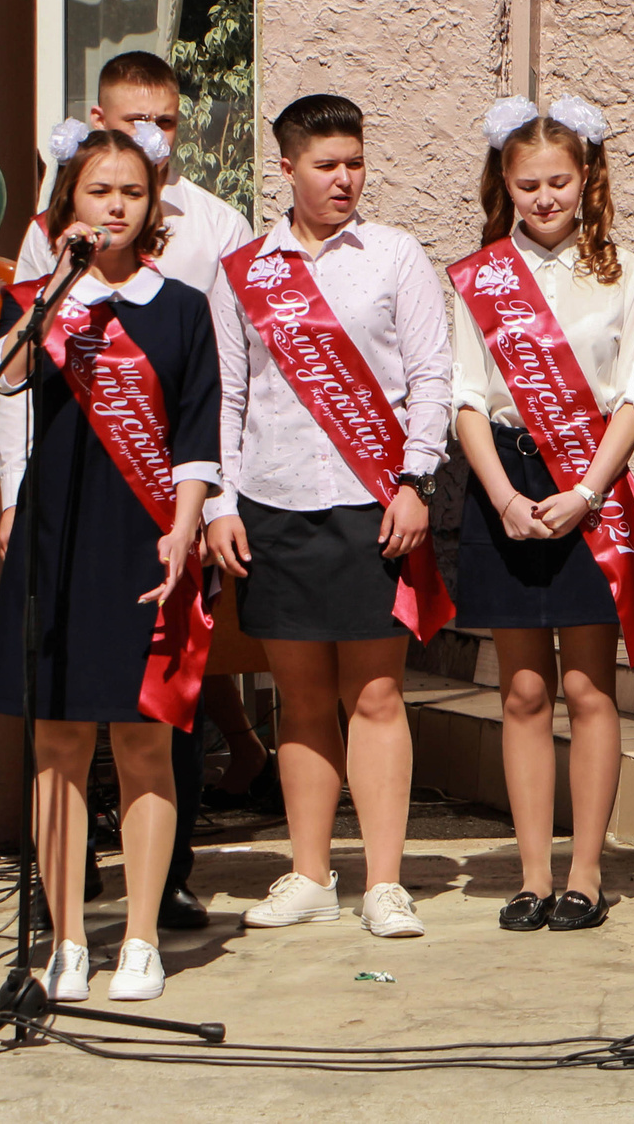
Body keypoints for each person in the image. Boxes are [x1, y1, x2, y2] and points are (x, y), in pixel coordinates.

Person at [0, 51, 264, 931]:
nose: (148, 141)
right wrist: (9, 493)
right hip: (64, 502)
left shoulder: (215, 228)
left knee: (160, 706)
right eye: (132, 120)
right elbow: (9, 384)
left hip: (160, 503)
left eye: (165, 121)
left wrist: (209, 508)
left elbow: (216, 382)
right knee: (62, 716)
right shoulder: (52, 253)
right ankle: (67, 900)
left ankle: (165, 881)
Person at [206, 94, 454, 941]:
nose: (345, 177)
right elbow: (229, 395)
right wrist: (220, 503)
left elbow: (430, 376)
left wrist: (416, 479)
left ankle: (385, 881)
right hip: (274, 502)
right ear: (287, 169)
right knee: (301, 697)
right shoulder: (245, 268)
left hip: (374, 500)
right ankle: (309, 870)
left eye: (354, 161)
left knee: (376, 691)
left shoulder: (394, 255)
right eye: (326, 164)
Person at [0, 127, 221, 1005]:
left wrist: (185, 528)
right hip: (60, 530)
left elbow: (198, 437)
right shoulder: (40, 302)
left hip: (147, 534)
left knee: (143, 737)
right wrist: (52, 290)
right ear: (69, 206)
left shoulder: (183, 306)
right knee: (56, 745)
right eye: (98, 192)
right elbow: (0, 384)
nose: (116, 206)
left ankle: (145, 937)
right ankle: (72, 936)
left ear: (152, 205)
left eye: (131, 192)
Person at [446, 95, 634, 933]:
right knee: (524, 689)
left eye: (559, 181)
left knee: (586, 686)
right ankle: (531, 873)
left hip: (590, 483)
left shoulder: (627, 271)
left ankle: (586, 871)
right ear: (505, 180)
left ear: (587, 179)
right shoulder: (479, 273)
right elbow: (465, 397)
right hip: (506, 482)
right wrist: (501, 496)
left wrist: (589, 491)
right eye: (528, 182)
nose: (543, 198)